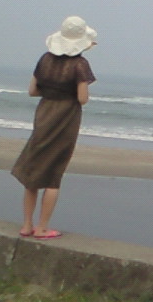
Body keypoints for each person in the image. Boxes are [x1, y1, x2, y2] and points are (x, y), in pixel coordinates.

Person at [11, 16, 97, 240]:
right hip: (65, 117)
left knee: (33, 172)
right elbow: (82, 98)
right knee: (53, 175)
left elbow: (32, 90)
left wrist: (51, 91)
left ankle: (27, 225)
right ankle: (42, 228)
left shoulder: (45, 59)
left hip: (44, 113)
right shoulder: (80, 64)